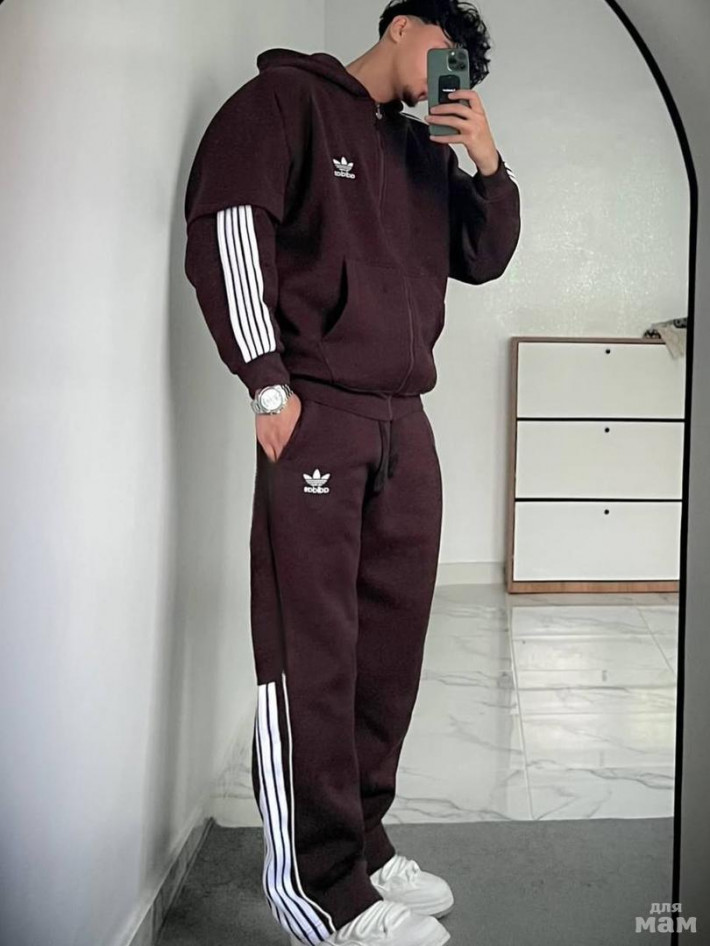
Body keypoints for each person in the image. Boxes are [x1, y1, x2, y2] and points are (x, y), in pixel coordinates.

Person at [183, 1, 521, 943]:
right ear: (404, 25)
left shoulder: (423, 152)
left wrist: (486, 161)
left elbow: (483, 256)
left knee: (387, 657)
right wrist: (267, 383)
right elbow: (228, 231)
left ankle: (362, 843)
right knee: (314, 655)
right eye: (449, 53)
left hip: (405, 424)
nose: (454, 77)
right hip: (319, 415)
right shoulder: (282, 102)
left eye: (468, 72)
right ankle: (320, 891)